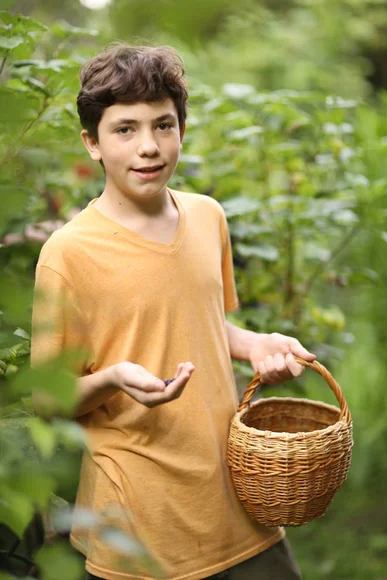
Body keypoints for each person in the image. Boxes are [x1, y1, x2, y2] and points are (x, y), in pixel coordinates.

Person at [30, 44, 316, 580]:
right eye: (125, 130)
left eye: (164, 125)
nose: (149, 147)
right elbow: (47, 399)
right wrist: (114, 377)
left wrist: (253, 343)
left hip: (237, 502)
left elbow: (201, 323)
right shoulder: (69, 254)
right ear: (91, 143)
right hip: (139, 527)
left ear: (182, 129)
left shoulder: (207, 217)